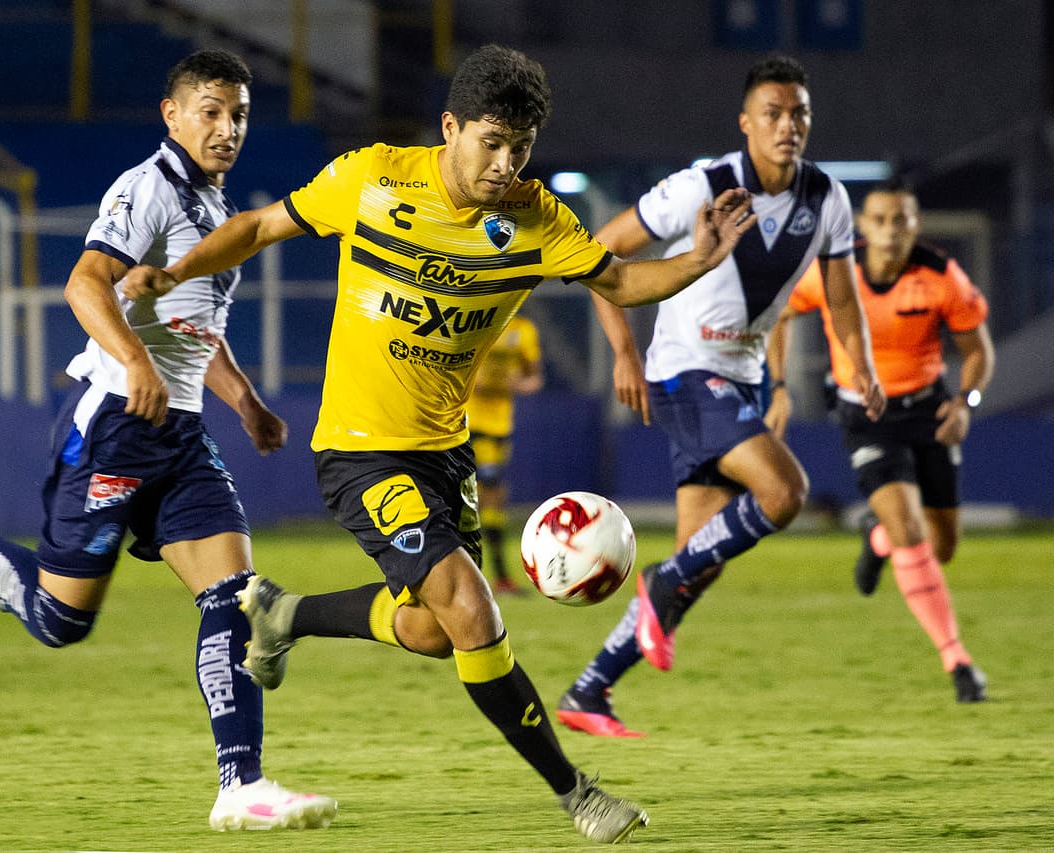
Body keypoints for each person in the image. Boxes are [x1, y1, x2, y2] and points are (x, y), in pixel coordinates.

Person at [120, 43, 755, 844]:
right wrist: (173, 275)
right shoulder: (374, 177)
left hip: (442, 450)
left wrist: (699, 259)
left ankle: (283, 613)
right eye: (490, 142)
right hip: (359, 449)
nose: (503, 164)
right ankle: (577, 792)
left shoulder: (534, 219)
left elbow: (621, 282)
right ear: (450, 126)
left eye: (520, 150)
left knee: (429, 627)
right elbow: (255, 226)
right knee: (471, 606)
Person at [0, 49, 337, 831]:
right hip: (116, 423)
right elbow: (85, 282)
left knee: (236, 596)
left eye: (240, 114)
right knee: (60, 622)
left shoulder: (215, 211)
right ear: (173, 115)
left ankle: (240, 785)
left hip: (181, 433)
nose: (227, 129)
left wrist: (247, 403)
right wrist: (132, 360)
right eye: (212, 111)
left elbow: (194, 329)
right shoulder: (147, 188)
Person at [557, 54, 886, 739]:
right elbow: (596, 251)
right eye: (773, 113)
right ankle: (656, 585)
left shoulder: (827, 199)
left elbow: (842, 299)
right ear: (746, 123)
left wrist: (866, 368)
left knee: (697, 561)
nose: (787, 125)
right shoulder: (700, 188)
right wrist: (622, 349)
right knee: (785, 491)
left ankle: (590, 688)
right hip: (683, 371)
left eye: (799, 113)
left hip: (740, 379)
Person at [768, 176, 994, 702]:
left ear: (916, 225)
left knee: (942, 546)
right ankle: (958, 661)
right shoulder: (835, 271)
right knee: (912, 530)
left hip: (929, 410)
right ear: (863, 225)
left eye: (902, 220)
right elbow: (780, 311)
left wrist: (966, 403)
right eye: (880, 219)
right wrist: (778, 385)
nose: (891, 230)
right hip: (866, 414)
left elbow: (978, 350)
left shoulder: (941, 275)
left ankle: (877, 537)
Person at [466, 311, 543, 594]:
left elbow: (535, 379)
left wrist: (515, 384)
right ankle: (489, 576)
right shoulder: (480, 320)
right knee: (488, 491)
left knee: (493, 498)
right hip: (470, 422)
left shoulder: (524, 330)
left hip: (501, 426)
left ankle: (496, 577)